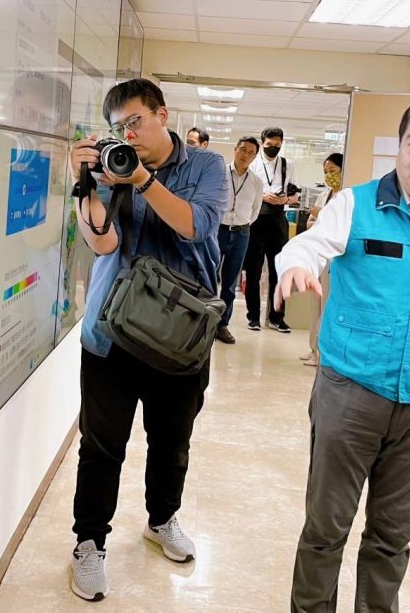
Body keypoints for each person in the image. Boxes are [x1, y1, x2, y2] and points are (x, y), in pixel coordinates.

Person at [277, 94, 410, 613]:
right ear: (399, 148)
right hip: (350, 393)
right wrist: (294, 267)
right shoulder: (356, 204)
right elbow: (308, 245)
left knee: (392, 539)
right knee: (326, 529)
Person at [66, 78, 227, 602]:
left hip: (180, 335)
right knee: (101, 446)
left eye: (135, 122)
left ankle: (161, 520)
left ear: (162, 114)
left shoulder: (206, 167)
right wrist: (89, 185)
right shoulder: (112, 165)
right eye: (118, 128)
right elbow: (104, 241)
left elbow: (195, 227)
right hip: (113, 331)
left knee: (171, 443)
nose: (127, 135)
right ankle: (89, 543)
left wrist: (141, 180)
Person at [245, 126, 298, 333]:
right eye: (269, 146)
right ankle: (253, 317)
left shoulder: (287, 164)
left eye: (277, 146)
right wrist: (263, 196)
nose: (273, 149)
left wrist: (285, 199)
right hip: (257, 220)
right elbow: (247, 192)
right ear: (262, 144)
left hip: (278, 220)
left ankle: (277, 317)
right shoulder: (254, 164)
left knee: (279, 271)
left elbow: (294, 194)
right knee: (254, 272)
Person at [215, 135, 264, 344]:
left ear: (255, 157)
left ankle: (222, 325)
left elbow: (255, 211)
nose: (245, 155)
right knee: (207, 276)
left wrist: (241, 224)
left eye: (251, 152)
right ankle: (201, 321)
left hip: (242, 233)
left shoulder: (256, 182)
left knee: (229, 282)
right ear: (235, 149)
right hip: (217, 230)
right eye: (242, 149)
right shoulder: (219, 173)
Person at [300, 152, 344, 367]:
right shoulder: (324, 195)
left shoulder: (345, 197)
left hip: (333, 259)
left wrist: (321, 216)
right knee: (315, 304)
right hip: (318, 255)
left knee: (327, 304)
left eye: (333, 171)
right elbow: (310, 223)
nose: (329, 176)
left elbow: (338, 227)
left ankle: (323, 352)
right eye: (326, 172)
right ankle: (312, 349)